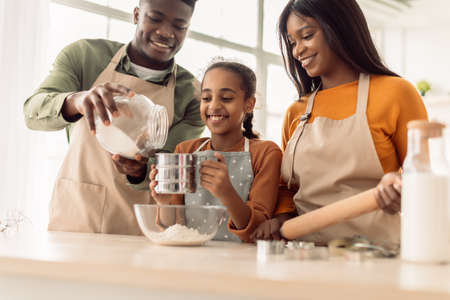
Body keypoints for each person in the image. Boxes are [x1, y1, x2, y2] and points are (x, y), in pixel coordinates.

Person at [251, 0, 427, 245]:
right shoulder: (297, 112)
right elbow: (287, 190)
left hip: (378, 255)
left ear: (340, 27)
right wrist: (280, 220)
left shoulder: (397, 93)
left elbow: (422, 175)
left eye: (307, 36)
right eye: (292, 42)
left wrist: (399, 185)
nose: (297, 50)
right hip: (307, 256)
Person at [23, 0, 204, 235]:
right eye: (155, 18)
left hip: (140, 229)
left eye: (179, 25)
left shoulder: (192, 94)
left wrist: (139, 171)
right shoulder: (85, 56)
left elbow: (169, 170)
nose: (166, 32)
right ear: (137, 15)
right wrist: (76, 100)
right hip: (76, 217)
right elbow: (32, 112)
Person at [149, 61, 283, 242]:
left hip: (242, 263)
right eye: (206, 98)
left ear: (249, 104)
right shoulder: (185, 150)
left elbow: (259, 229)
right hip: (191, 260)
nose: (214, 105)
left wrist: (227, 193)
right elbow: (173, 228)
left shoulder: (266, 153)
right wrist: (165, 203)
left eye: (226, 98)